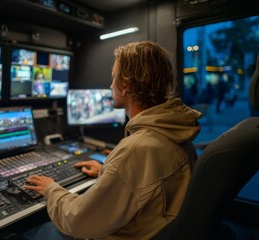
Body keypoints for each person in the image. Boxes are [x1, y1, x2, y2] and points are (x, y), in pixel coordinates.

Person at [22, 41, 202, 240]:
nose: (110, 85)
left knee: (35, 232)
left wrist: (51, 189)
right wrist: (106, 172)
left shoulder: (136, 148)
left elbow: (77, 220)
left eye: (113, 77)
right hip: (156, 229)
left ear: (125, 85)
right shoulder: (176, 129)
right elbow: (148, 183)